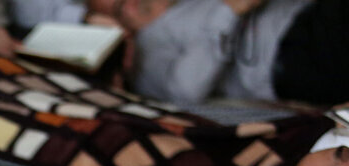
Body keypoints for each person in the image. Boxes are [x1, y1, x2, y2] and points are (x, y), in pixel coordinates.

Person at [129, 0, 348, 106]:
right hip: (285, 58)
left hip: (306, 11)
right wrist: (230, 11)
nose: (131, 3)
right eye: (120, 6)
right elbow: (185, 90)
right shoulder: (149, 43)